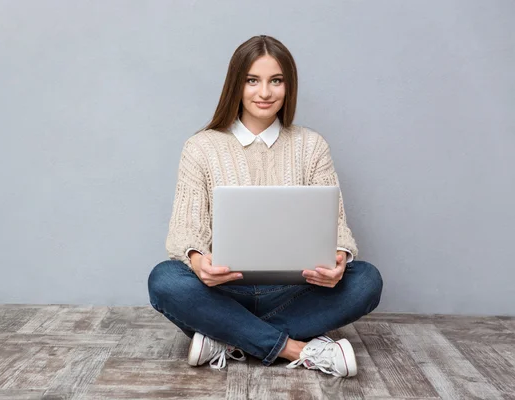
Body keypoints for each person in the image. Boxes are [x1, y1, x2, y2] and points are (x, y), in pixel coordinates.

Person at [147, 35, 383, 378]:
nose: (264, 92)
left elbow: (338, 227)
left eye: (276, 81)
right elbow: (185, 231)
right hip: (223, 289)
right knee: (164, 280)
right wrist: (199, 263)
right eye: (252, 80)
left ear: (288, 86)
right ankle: (297, 350)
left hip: (296, 288)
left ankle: (227, 338)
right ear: (236, 85)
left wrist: (340, 256)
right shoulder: (201, 147)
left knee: (366, 280)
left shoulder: (311, 145)